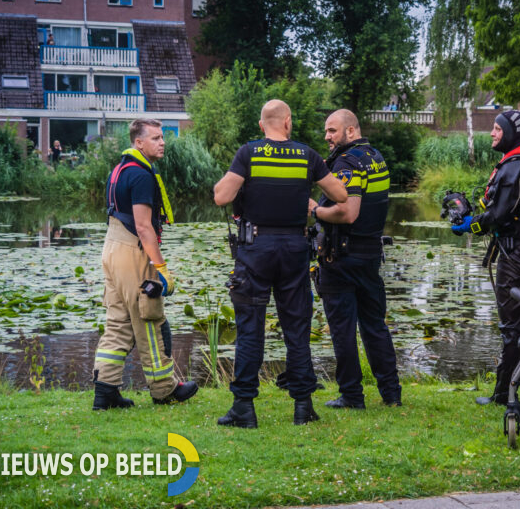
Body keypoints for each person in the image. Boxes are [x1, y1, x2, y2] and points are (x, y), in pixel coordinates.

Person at [213, 99, 347, 428]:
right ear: (287, 122)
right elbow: (341, 195)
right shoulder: (307, 156)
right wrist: (306, 197)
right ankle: (303, 406)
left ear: (263, 125)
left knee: (250, 329)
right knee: (296, 329)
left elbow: (221, 197)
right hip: (294, 248)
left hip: (255, 248)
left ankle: (244, 407)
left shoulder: (249, 153)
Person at [92, 118, 197, 410]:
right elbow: (144, 226)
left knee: (117, 324)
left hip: (111, 248)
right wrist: (161, 268)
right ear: (139, 142)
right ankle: (164, 389)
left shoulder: (119, 169)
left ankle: (105, 391)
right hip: (131, 251)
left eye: (162, 137)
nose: (162, 142)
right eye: (155, 138)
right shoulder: (141, 175)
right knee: (149, 319)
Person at [451, 110, 520, 406]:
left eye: (498, 129)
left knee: (513, 327)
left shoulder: (514, 166)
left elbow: (499, 214)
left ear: (511, 134)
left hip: (517, 256)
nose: (493, 133)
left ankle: (502, 393)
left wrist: (469, 224)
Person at [307, 109, 402, 409]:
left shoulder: (348, 162)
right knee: (375, 326)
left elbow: (348, 212)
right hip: (370, 254)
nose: (327, 137)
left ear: (350, 131)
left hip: (342, 256)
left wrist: (314, 210)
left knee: (343, 329)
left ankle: (351, 395)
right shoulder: (376, 157)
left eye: (332, 130)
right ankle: (391, 393)